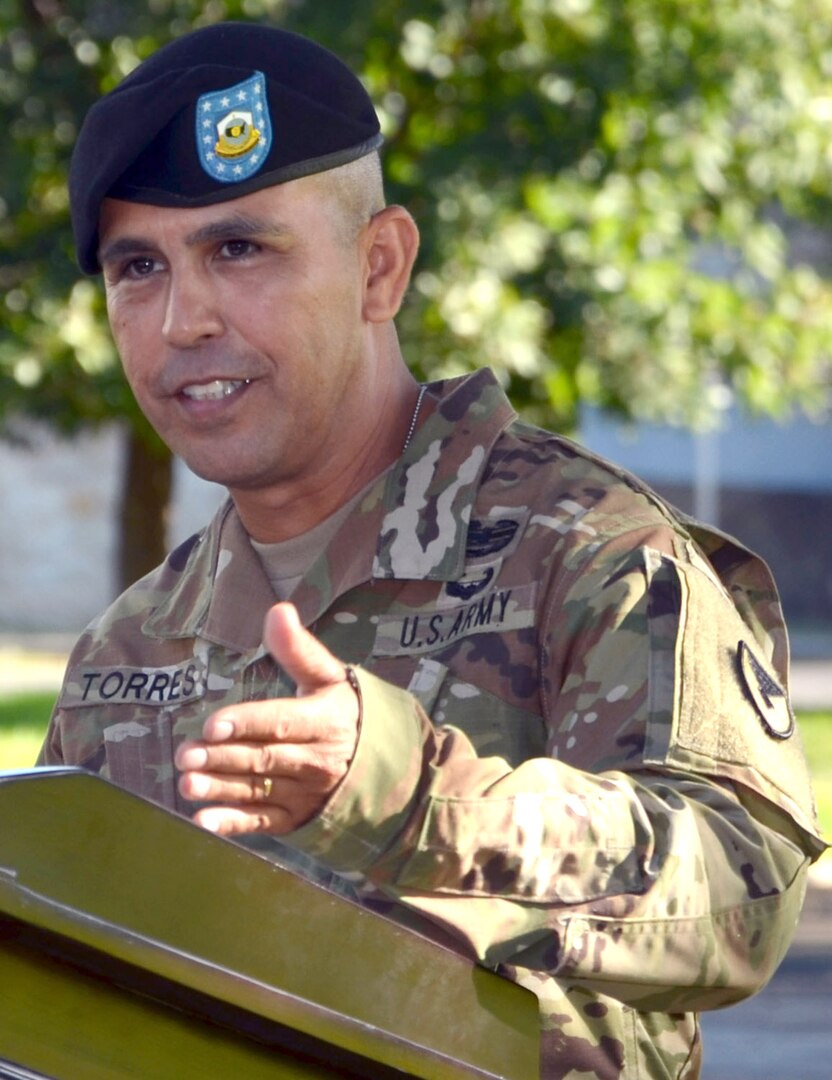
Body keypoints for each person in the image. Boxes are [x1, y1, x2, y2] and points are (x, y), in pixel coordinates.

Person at [39, 21, 826, 1079]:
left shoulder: (589, 551)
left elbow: (741, 893)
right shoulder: (126, 646)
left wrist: (414, 798)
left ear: (379, 267)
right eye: (139, 267)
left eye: (240, 249)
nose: (184, 319)